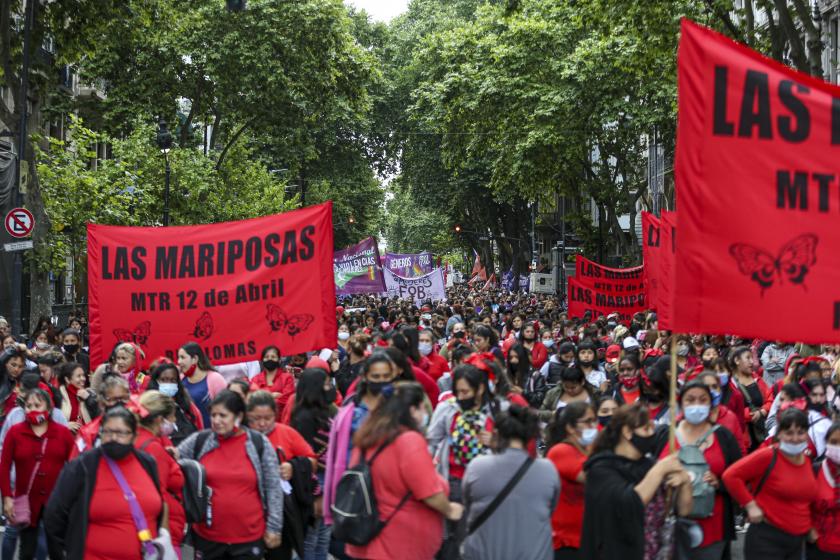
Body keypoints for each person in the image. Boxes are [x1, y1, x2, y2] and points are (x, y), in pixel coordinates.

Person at [344, 382, 463, 560]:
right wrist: (450, 510)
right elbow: (429, 492)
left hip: (369, 537)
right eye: (422, 407)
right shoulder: (409, 441)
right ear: (412, 410)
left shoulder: (367, 436)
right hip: (398, 543)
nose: (425, 413)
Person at [44, 406, 166, 560]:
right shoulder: (82, 466)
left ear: (134, 436)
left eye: (121, 433)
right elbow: (54, 516)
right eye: (107, 432)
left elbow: (159, 508)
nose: (113, 438)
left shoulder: (148, 464)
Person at [178, 390, 283, 558]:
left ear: (239, 416)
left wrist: (274, 527)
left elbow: (273, 487)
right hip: (208, 538)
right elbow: (173, 463)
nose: (216, 421)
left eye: (223, 415)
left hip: (249, 538)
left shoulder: (258, 443)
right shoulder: (200, 441)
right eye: (213, 415)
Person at [580, 403, 693, 560]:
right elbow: (629, 503)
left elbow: (684, 510)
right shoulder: (601, 469)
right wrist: (659, 471)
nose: (652, 434)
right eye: (646, 429)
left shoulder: (649, 465)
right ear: (627, 432)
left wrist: (685, 482)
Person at [656, 380, 742, 560]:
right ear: (681, 404)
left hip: (714, 525)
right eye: (690, 400)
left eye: (703, 400)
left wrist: (720, 483)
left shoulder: (723, 436)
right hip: (671, 525)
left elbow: (740, 476)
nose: (697, 405)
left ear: (711, 404)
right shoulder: (666, 435)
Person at [462, 405, 559, 560]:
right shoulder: (548, 470)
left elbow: (467, 503)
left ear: (497, 434)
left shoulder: (477, 467)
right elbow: (551, 508)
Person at [722, 408, 818, 560]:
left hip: (798, 541)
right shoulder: (768, 455)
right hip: (767, 539)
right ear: (779, 434)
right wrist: (750, 505)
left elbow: (806, 498)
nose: (795, 438)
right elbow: (730, 475)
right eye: (789, 433)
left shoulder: (806, 461)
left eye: (800, 432)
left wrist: (810, 526)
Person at [324, 353, 397, 535]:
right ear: (365, 377)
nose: (380, 381)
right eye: (375, 377)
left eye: (385, 377)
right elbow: (337, 453)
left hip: (390, 490)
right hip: (355, 487)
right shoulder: (351, 408)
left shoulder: (400, 407)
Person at [427, 364, 494, 558]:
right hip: (454, 482)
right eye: (458, 392)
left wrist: (496, 441)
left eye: (466, 392)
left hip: (485, 484)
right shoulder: (447, 408)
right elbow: (431, 441)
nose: (461, 396)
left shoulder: (496, 410)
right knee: (457, 535)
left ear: (480, 389)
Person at [0, 389, 74, 560]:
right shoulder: (15, 432)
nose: (32, 409)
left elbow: (74, 464)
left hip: (56, 501)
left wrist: (72, 497)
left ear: (48, 409)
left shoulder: (62, 433)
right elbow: (4, 466)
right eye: (28, 406)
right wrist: (7, 497)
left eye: (37, 405)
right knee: (26, 550)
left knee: (57, 550)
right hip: (25, 500)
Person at [290, 368, 336, 560]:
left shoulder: (325, 413)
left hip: (329, 482)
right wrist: (316, 493)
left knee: (323, 538)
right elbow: (306, 461)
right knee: (311, 539)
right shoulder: (304, 418)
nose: (330, 388)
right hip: (316, 485)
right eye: (326, 384)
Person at [135, 391, 187, 555]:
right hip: (164, 529)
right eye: (172, 417)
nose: (174, 421)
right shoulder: (152, 448)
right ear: (159, 419)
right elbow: (160, 497)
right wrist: (163, 536)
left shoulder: (139, 438)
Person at [546, 402, 596, 559]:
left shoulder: (584, 451)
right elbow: (592, 477)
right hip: (566, 542)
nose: (593, 426)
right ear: (570, 428)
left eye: (594, 420)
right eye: (587, 422)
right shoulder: (561, 451)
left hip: (586, 539)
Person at [72, 375, 131, 456]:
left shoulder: (139, 428)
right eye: (114, 399)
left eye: (124, 398)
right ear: (102, 403)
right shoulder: (88, 434)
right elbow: (76, 464)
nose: (120, 403)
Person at [148, 362, 202, 445]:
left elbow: (199, 430)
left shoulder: (187, 406)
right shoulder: (148, 409)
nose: (168, 384)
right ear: (155, 381)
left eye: (173, 380)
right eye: (164, 380)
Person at [178, 342, 227, 429]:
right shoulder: (180, 379)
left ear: (195, 359)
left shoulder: (215, 379)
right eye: (178, 358)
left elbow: (226, 408)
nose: (179, 361)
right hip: (188, 436)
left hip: (211, 435)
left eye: (183, 357)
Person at [810, 421, 840, 559]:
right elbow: (802, 505)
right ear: (826, 443)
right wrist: (809, 530)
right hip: (819, 548)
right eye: (834, 442)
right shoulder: (814, 471)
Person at [730, 346, 769, 449]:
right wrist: (748, 415)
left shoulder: (757, 379)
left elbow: (770, 398)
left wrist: (763, 411)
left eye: (752, 358)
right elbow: (729, 411)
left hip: (762, 434)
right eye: (748, 358)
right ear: (737, 360)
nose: (752, 362)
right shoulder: (731, 384)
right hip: (744, 440)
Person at [250, 346, 296, 419]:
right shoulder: (255, 379)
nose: (270, 359)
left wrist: (262, 397)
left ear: (279, 360)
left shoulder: (287, 378)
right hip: (259, 420)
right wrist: (272, 395)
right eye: (267, 357)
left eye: (273, 357)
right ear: (262, 360)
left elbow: (287, 400)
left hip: (282, 419)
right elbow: (252, 400)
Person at [57, 362, 98, 433]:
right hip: (66, 438)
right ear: (67, 379)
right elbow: (51, 420)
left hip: (86, 438)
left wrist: (89, 398)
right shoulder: (58, 395)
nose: (83, 379)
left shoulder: (90, 393)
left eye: (83, 375)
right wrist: (65, 425)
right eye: (78, 376)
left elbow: (99, 416)